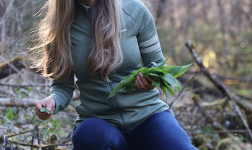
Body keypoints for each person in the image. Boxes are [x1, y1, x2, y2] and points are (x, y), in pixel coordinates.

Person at [33, 0, 197, 149]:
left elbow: (158, 65)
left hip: (147, 117)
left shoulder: (134, 11)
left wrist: (151, 80)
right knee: (89, 137)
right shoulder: (61, 26)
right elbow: (62, 85)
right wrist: (52, 100)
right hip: (99, 122)